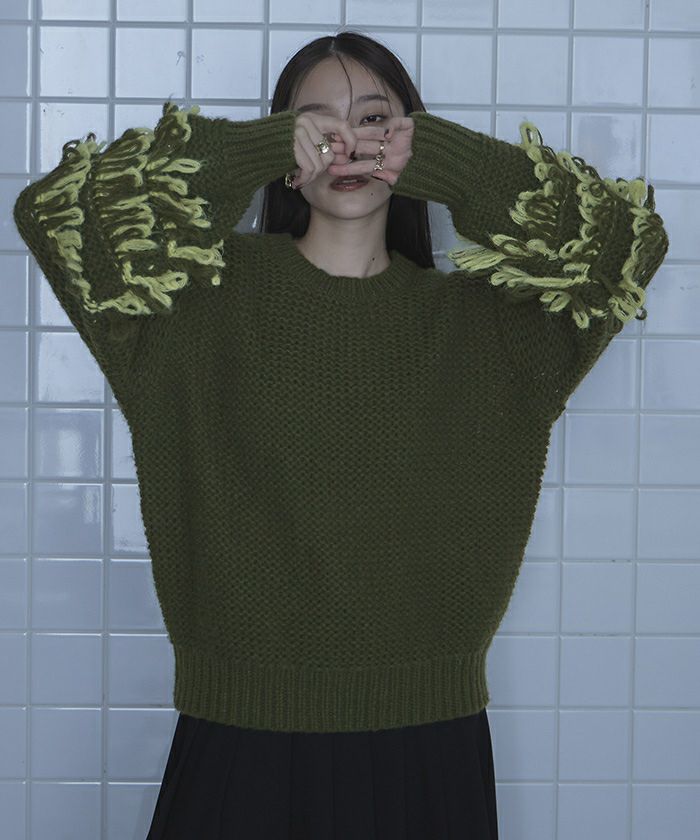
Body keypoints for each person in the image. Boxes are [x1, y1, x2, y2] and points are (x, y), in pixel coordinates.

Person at [12, 29, 668, 840]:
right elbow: (55, 214)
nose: (346, 141)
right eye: (316, 121)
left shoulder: (493, 331)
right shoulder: (191, 306)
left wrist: (452, 165)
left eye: (374, 119)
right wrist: (250, 150)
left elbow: (629, 244)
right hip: (239, 743)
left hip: (429, 751)